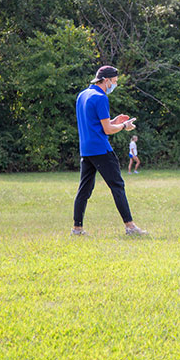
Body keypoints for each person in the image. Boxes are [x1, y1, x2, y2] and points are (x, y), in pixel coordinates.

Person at [72, 65, 147, 236]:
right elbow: (107, 130)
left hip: (86, 150)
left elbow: (97, 125)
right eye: (113, 82)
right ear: (105, 80)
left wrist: (115, 120)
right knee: (117, 186)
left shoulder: (83, 95)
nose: (114, 85)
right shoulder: (100, 97)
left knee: (84, 189)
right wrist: (124, 125)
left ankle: (77, 229)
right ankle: (130, 227)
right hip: (101, 149)